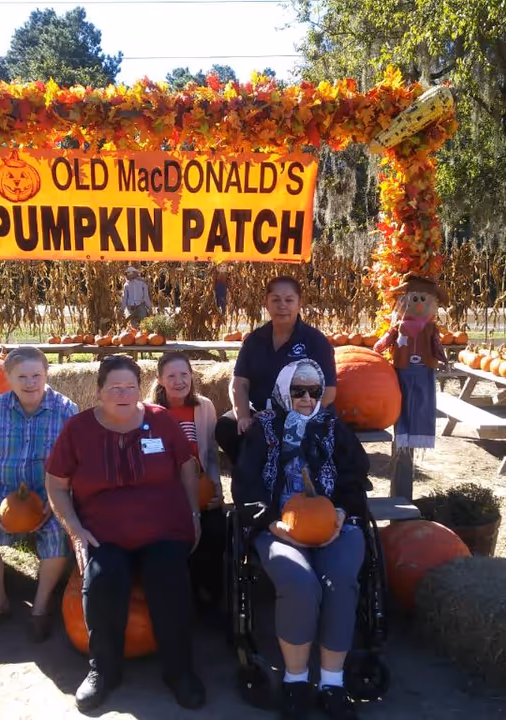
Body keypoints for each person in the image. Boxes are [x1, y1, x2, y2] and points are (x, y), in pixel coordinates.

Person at [45, 355, 206, 712]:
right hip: (104, 533)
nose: (122, 393)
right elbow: (56, 485)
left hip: (163, 528)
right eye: (114, 387)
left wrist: (193, 513)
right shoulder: (78, 430)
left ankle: (179, 671)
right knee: (103, 581)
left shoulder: (161, 421)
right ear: (99, 391)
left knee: (169, 579)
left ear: (140, 389)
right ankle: (103, 670)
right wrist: (75, 530)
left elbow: (186, 467)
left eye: (130, 387)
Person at [233, 359, 372, 720]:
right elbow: (246, 487)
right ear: (282, 391)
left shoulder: (333, 426)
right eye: (298, 390)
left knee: (340, 580)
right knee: (299, 581)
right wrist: (272, 524)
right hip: (277, 527)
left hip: (336, 525)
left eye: (314, 390)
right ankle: (295, 681)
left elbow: (355, 479)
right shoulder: (262, 429)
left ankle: (332, 682)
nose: (308, 398)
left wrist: (341, 513)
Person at [0, 346, 78, 642]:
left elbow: (74, 466)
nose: (30, 383)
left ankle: (40, 606)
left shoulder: (65, 410)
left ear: (46, 373)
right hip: (4, 498)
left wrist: (56, 504)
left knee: (57, 537)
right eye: (22, 377)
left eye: (36, 375)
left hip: (50, 497)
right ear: (8, 378)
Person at [216, 275, 337, 466]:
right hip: (261, 411)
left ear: (299, 304)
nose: (282, 305)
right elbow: (239, 383)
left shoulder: (315, 341)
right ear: (267, 303)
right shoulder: (254, 340)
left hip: (303, 413)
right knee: (227, 427)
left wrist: (297, 417)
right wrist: (243, 416)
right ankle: (251, 478)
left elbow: (329, 392)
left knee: (273, 432)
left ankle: (282, 480)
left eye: (289, 300)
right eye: (275, 300)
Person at [149, 351, 226, 612]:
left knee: (215, 530)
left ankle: (209, 592)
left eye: (184, 374)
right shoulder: (150, 413)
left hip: (201, 489)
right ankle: (183, 594)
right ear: (160, 379)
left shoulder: (203, 407)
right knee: (172, 537)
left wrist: (216, 487)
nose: (179, 381)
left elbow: (212, 454)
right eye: (171, 376)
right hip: (167, 494)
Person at [373, 274, 449, 449]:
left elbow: (436, 344)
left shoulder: (431, 328)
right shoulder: (399, 325)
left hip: (425, 368)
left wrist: (442, 358)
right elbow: (387, 339)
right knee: (402, 402)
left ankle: (421, 436)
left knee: (424, 402)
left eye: (423, 299)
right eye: (414, 299)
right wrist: (378, 348)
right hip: (403, 369)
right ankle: (402, 434)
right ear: (404, 301)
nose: (419, 303)